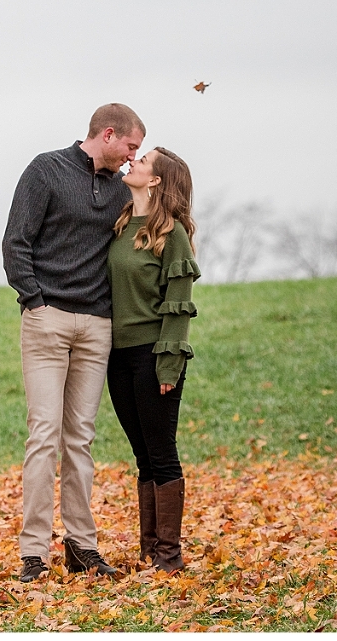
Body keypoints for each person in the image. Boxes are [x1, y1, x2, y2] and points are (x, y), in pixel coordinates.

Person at [2, 103, 146, 583]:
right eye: (130, 146)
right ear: (108, 134)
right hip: (47, 319)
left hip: (96, 326)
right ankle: (33, 552)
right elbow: (16, 241)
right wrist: (34, 300)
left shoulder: (119, 188)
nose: (133, 157)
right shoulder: (47, 170)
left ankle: (82, 546)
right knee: (43, 436)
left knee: (80, 440)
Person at [106, 146, 200, 574]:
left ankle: (170, 556)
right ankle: (149, 551)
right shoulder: (124, 222)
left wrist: (168, 364)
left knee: (161, 454)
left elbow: (178, 305)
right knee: (142, 454)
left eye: (143, 161)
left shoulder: (172, 233)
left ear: (157, 180)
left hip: (153, 356)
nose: (134, 162)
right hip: (117, 357)